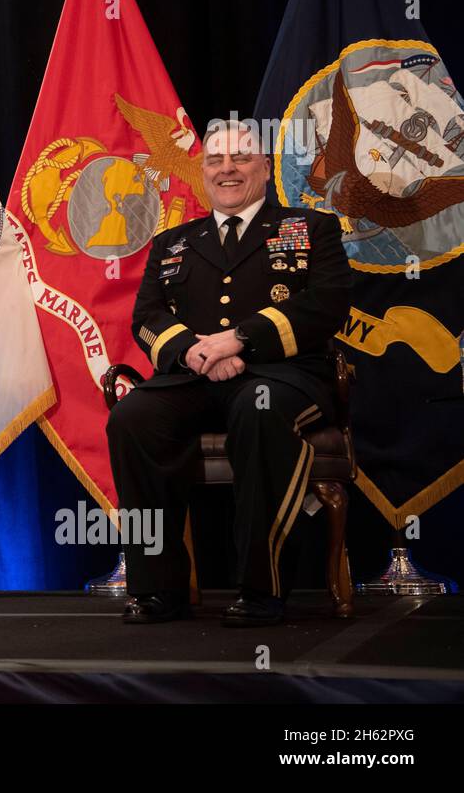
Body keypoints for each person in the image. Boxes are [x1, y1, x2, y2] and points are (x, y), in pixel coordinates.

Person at [106, 120, 352, 626]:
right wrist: (194, 352)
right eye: (215, 161)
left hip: (286, 376)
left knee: (256, 409)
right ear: (202, 174)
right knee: (133, 418)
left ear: (265, 168)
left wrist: (239, 339)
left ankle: (263, 590)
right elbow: (147, 317)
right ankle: (158, 589)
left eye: (240, 158)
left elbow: (326, 305)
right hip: (193, 378)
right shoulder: (173, 242)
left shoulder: (312, 228)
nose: (227, 169)